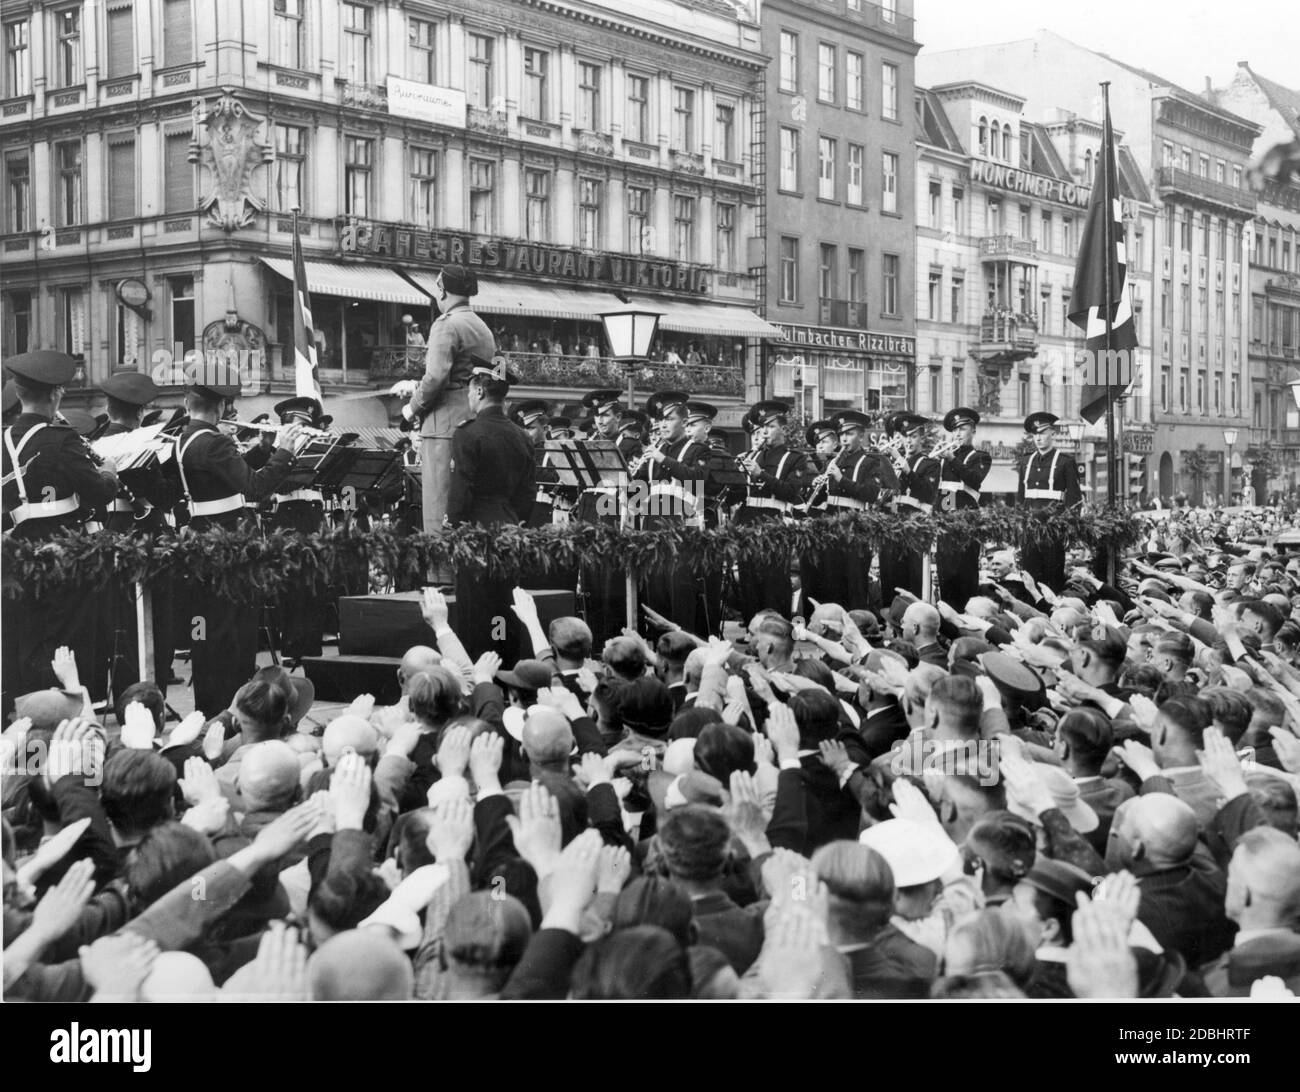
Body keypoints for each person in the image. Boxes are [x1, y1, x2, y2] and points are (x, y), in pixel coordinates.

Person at [170, 363, 306, 717]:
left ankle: (209, 706)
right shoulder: (214, 441)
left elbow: (230, 474)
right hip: (230, 544)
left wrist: (263, 450)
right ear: (220, 406)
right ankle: (236, 709)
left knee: (210, 628)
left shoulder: (187, 437)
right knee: (234, 631)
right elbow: (254, 487)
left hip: (205, 538)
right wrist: (286, 452)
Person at [2, 351, 119, 713]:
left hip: (16, 549)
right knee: (69, 635)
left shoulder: (3, 439)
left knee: (25, 633)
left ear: (19, 393)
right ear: (55, 394)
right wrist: (109, 474)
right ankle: (69, 711)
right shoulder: (60, 439)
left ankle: (26, 712)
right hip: (64, 549)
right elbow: (98, 495)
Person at [403, 264, 496, 578]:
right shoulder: (482, 327)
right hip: (473, 420)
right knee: (469, 511)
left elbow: (436, 377)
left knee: (438, 513)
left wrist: (410, 409)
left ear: (442, 289)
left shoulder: (446, 324)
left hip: (443, 428)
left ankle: (442, 592)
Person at [447, 357, 536, 663]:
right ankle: (505, 666)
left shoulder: (467, 433)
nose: (469, 397)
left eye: (471, 390)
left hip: (475, 533)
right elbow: (527, 493)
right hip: (510, 530)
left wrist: (455, 529)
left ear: (481, 391)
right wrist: (513, 521)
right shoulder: (521, 436)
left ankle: (480, 672)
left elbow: (461, 490)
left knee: (475, 611)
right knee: (503, 608)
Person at [94, 370, 177, 698]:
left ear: (108, 407)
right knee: (157, 620)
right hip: (146, 536)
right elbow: (164, 495)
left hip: (113, 533)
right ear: (140, 411)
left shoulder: (96, 442)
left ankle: (125, 697)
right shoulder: (143, 444)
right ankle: (150, 695)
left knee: (122, 619)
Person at [632, 391, 708, 630]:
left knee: (679, 591)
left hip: (681, 528)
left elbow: (696, 478)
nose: (662, 424)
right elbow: (637, 493)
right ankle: (659, 647)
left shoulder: (698, 450)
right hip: (652, 527)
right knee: (655, 591)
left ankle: (684, 647)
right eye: (660, 420)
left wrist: (662, 459)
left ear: (684, 422)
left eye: (669, 419)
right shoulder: (654, 452)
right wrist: (631, 474)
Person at [732, 401, 812, 621]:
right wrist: (735, 479)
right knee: (749, 580)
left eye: (770, 426)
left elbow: (791, 492)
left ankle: (777, 629)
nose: (764, 432)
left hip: (775, 524)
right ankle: (752, 629)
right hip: (748, 524)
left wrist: (761, 475)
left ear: (783, 429)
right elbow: (740, 495)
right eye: (762, 427)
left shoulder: (795, 458)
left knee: (773, 582)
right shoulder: (752, 456)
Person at [266, 396, 328, 667]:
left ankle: (312, 646)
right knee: (292, 582)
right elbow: (273, 486)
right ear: (288, 424)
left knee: (315, 579)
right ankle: (291, 646)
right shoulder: (277, 449)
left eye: (307, 425)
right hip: (289, 514)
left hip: (313, 512)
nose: (304, 429)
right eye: (299, 424)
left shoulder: (318, 448)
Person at [571, 390, 629, 643]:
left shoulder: (630, 444)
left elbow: (635, 488)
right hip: (590, 506)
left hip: (612, 508)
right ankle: (593, 638)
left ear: (618, 416)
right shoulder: (589, 442)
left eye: (606, 415)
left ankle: (612, 638)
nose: (600, 421)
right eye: (597, 416)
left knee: (610, 578)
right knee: (590, 576)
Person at [1017, 412, 1082, 592]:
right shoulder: (1025, 462)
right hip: (1029, 531)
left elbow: (1074, 500)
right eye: (1035, 434)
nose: (1038, 438)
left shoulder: (1065, 462)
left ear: (1052, 433)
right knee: (1030, 577)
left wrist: (1068, 529)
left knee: (1052, 578)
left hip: (1053, 530)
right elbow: (1020, 498)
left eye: (1043, 433)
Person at [935, 408, 991, 610]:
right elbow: (946, 494)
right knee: (946, 575)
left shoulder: (980, 457)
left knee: (965, 575)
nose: (957, 434)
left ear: (973, 431)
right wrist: (942, 515)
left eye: (963, 429)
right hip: (947, 526)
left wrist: (951, 458)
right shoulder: (944, 460)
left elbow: (974, 480)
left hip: (968, 525)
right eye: (954, 430)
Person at [890, 413, 941, 598]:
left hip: (917, 528)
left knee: (916, 579)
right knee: (892, 577)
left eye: (913, 436)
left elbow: (927, 493)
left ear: (921, 437)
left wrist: (907, 471)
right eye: (905, 436)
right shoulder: (893, 463)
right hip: (893, 527)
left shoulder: (931, 464)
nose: (908, 441)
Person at [509, 399, 554, 529]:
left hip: (542, 518)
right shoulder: (516, 452)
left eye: (530, 428)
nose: (524, 433)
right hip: (515, 516)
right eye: (521, 429)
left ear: (544, 428)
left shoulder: (554, 453)